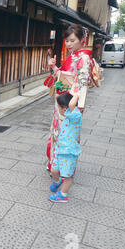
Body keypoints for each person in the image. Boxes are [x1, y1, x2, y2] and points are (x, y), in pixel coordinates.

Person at [47, 24, 91, 173]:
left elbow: (83, 83)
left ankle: (65, 168)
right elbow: (63, 75)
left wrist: (78, 105)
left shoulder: (84, 58)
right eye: (67, 41)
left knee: (67, 134)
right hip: (61, 100)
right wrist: (54, 68)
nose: (69, 44)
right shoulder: (72, 56)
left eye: (72, 40)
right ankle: (55, 164)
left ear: (81, 40)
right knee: (57, 130)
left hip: (71, 103)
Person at [48, 92, 81, 203]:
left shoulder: (76, 115)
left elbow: (72, 105)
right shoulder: (68, 116)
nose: (59, 111)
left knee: (67, 177)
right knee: (54, 170)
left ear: (65, 108)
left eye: (59, 108)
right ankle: (57, 182)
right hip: (60, 149)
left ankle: (63, 195)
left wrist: (77, 95)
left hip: (68, 153)